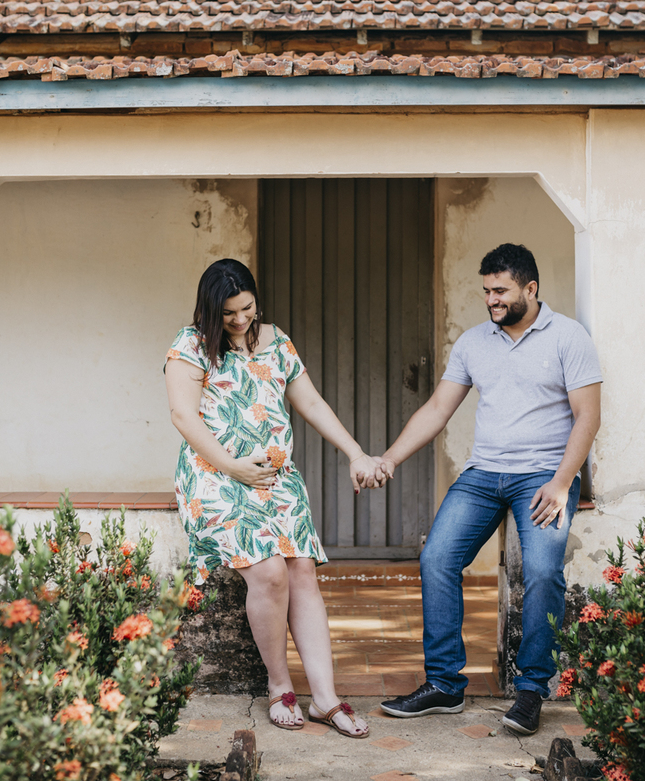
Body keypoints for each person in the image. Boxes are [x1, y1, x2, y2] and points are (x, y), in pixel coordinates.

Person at [375, 243, 602, 736]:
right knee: (437, 557)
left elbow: (588, 416)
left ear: (531, 289)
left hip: (544, 477)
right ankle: (444, 685)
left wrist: (563, 483)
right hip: (484, 475)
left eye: (500, 290)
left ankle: (531, 691)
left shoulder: (568, 337)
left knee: (542, 571)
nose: (491, 300)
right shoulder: (474, 342)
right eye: (486, 291)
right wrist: (390, 458)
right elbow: (437, 410)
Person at [165, 258, 382, 739]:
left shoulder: (276, 340)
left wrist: (355, 451)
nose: (240, 321)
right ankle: (279, 685)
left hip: (275, 478)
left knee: (301, 568)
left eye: (246, 309)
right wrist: (233, 465)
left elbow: (310, 401)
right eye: (228, 315)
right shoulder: (191, 346)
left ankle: (324, 698)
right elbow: (184, 417)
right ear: (209, 312)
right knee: (268, 570)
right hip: (215, 475)